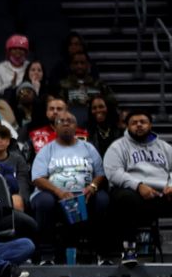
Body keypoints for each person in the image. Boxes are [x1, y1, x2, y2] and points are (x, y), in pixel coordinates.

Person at [31, 112, 109, 264]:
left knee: (103, 199)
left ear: (76, 127)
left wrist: (92, 187)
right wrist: (59, 192)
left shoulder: (88, 147)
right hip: (54, 195)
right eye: (61, 121)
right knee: (44, 201)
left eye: (70, 121)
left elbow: (100, 174)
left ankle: (103, 254)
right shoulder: (47, 150)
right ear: (54, 127)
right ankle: (47, 255)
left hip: (86, 195)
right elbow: (37, 178)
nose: (66, 123)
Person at [104, 110, 172, 266]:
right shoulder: (118, 146)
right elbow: (113, 172)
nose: (139, 125)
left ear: (150, 125)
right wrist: (138, 185)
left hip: (161, 194)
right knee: (126, 198)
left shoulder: (164, 147)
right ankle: (129, 250)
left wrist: (171, 185)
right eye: (134, 123)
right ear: (127, 126)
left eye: (143, 122)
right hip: (132, 193)